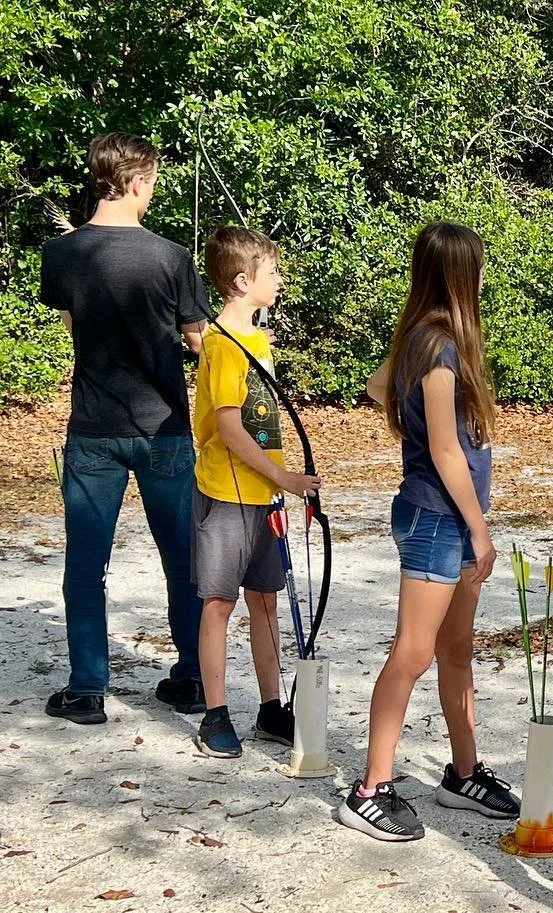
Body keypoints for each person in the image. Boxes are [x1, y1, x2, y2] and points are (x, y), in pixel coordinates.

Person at [337, 221, 518, 841]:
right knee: (413, 652)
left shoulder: (425, 338)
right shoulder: (436, 347)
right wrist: (480, 530)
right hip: (437, 519)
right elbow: (444, 450)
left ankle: (463, 774)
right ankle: (369, 789)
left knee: (455, 650)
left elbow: (376, 387)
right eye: (479, 267)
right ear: (463, 274)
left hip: (449, 519)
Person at [39, 132, 208, 724]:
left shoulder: (62, 253)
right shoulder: (171, 257)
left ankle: (87, 688)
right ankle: (193, 677)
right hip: (164, 428)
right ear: (136, 181)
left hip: (93, 427)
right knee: (183, 559)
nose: (152, 192)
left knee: (87, 564)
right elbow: (198, 343)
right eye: (152, 182)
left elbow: (75, 326)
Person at [188, 226, 320, 757]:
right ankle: (215, 714)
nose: (280, 280)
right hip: (226, 494)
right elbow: (229, 427)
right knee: (219, 602)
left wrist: (278, 481)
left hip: (263, 496)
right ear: (243, 282)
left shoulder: (257, 340)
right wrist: (286, 478)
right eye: (273, 272)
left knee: (265, 599)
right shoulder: (222, 344)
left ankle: (270, 708)